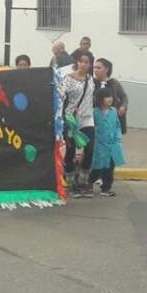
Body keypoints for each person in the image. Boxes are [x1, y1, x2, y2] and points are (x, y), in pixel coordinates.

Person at [60, 50, 96, 198]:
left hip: (87, 118)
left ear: (90, 64)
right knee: (70, 152)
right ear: (77, 62)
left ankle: (83, 181)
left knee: (90, 148)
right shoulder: (68, 78)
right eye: (81, 61)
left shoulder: (90, 79)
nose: (83, 64)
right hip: (71, 119)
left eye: (86, 62)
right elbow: (59, 95)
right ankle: (70, 183)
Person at [91, 86, 125, 197]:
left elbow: (117, 126)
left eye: (110, 96)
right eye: (106, 97)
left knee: (110, 167)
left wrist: (117, 138)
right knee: (96, 166)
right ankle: (88, 184)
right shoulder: (95, 113)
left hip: (112, 145)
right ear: (100, 99)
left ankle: (106, 188)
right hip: (99, 145)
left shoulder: (113, 111)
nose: (110, 99)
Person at [93, 59, 129, 134]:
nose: (95, 70)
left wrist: (123, 106)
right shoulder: (91, 82)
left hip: (111, 118)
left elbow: (124, 97)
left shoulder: (114, 83)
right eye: (95, 68)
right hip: (95, 118)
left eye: (99, 68)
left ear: (106, 69)